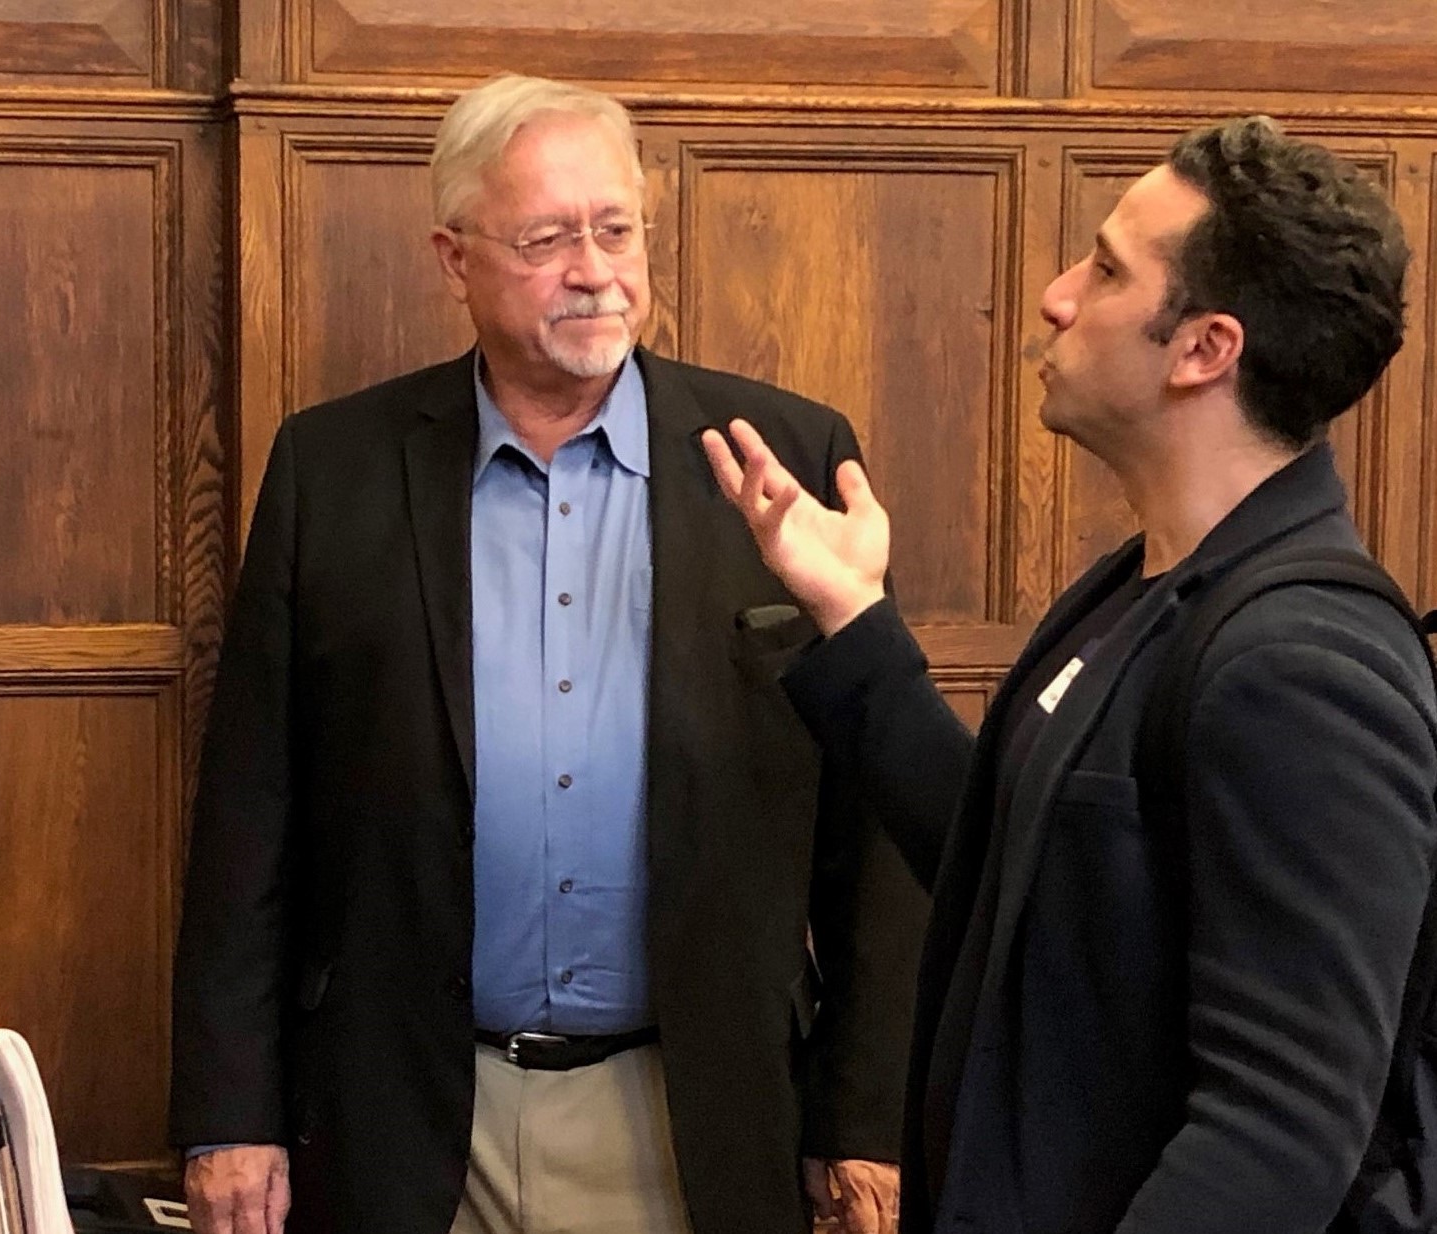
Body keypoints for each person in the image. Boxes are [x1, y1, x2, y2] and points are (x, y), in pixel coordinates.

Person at [169, 73, 927, 1234]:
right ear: (452, 256)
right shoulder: (334, 469)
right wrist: (230, 1110)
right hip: (408, 1112)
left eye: (616, 229)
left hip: (689, 1108)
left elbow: (870, 831)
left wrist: (864, 1115)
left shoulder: (781, 458)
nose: (594, 270)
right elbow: (249, 813)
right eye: (546, 238)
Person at [703, 116, 1437, 1233]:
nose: (1051, 295)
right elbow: (1008, 869)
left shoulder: (1300, 666)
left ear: (1204, 348)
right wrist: (851, 618)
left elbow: (1278, 1129)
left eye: (1102, 269)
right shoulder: (1137, 588)